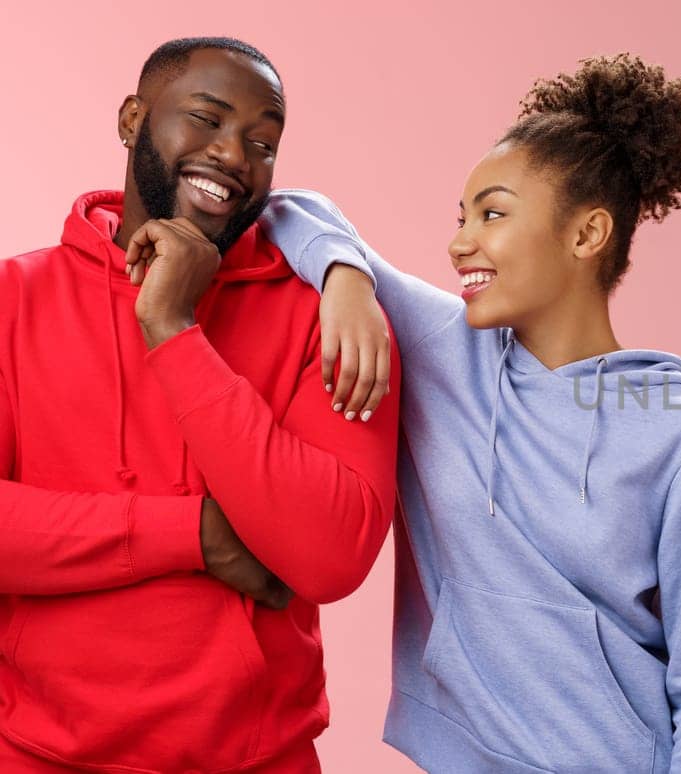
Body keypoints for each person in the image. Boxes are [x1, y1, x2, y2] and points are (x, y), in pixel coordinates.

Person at [253, 54, 681, 772]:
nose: (461, 242)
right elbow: (287, 208)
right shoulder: (444, 351)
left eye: (492, 214)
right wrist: (344, 279)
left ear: (587, 235)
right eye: (462, 218)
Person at [0, 37, 400, 772]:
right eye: (207, 119)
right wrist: (192, 533)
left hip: (258, 759)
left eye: (262, 142)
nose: (233, 156)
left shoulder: (331, 319)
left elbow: (331, 556)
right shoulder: (14, 298)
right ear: (132, 119)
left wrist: (174, 330)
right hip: (35, 755)